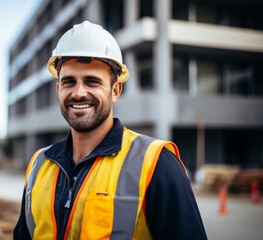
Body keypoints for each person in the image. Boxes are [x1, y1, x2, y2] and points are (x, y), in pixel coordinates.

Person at [13, 20, 207, 240]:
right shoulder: (40, 165)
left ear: (115, 90)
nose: (78, 93)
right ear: (58, 89)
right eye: (69, 82)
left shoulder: (156, 164)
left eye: (92, 81)